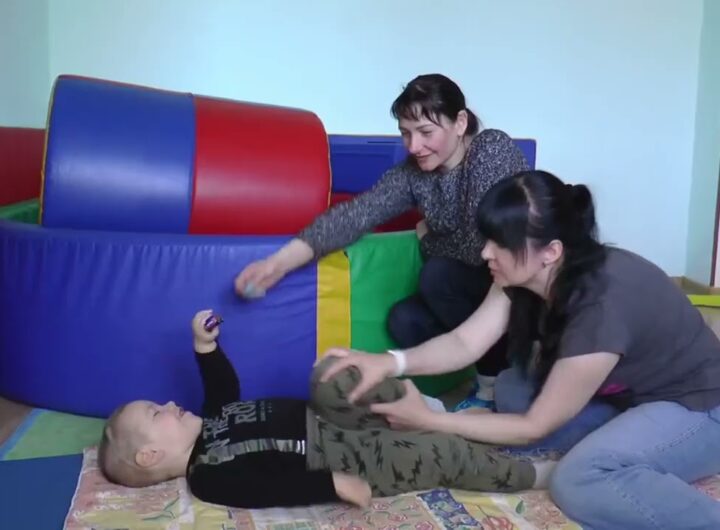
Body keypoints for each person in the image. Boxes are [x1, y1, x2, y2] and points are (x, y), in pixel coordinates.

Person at [320, 170, 720, 529]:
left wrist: (430, 420)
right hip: (629, 397)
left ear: (551, 251)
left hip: (699, 406)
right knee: (513, 389)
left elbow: (534, 426)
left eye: (500, 243)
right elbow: (464, 342)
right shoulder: (526, 275)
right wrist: (389, 362)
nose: (485, 253)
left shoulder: (600, 307)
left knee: (580, 479)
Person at [234, 74, 529, 410]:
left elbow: (480, 247)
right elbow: (357, 214)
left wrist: (429, 240)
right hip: (475, 294)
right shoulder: (415, 173)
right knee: (404, 319)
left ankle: (495, 383)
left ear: (460, 123)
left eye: (426, 132)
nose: (413, 146)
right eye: (406, 133)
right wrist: (277, 263)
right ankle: (478, 373)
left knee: (438, 274)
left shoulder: (490, 149)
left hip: (515, 290)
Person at [97, 310, 552, 509]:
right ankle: (530, 474)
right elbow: (266, 489)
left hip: (330, 418)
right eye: (157, 413)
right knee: (443, 456)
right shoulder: (207, 476)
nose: (169, 403)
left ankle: (426, 410)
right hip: (346, 458)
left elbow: (223, 388)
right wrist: (333, 484)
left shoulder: (213, 421)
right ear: (149, 456)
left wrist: (204, 346)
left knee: (330, 374)